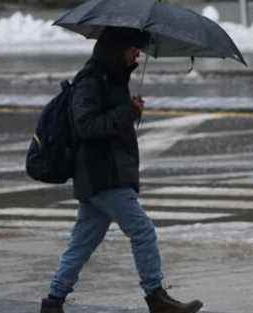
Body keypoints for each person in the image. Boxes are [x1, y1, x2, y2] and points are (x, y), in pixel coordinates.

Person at [40, 27, 204, 313]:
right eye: (133, 48)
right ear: (118, 49)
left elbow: (109, 120)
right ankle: (156, 297)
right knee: (143, 231)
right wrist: (126, 113)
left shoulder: (112, 78)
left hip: (103, 175)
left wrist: (129, 110)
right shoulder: (91, 81)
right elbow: (86, 126)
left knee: (82, 243)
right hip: (104, 175)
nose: (138, 53)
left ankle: (53, 301)